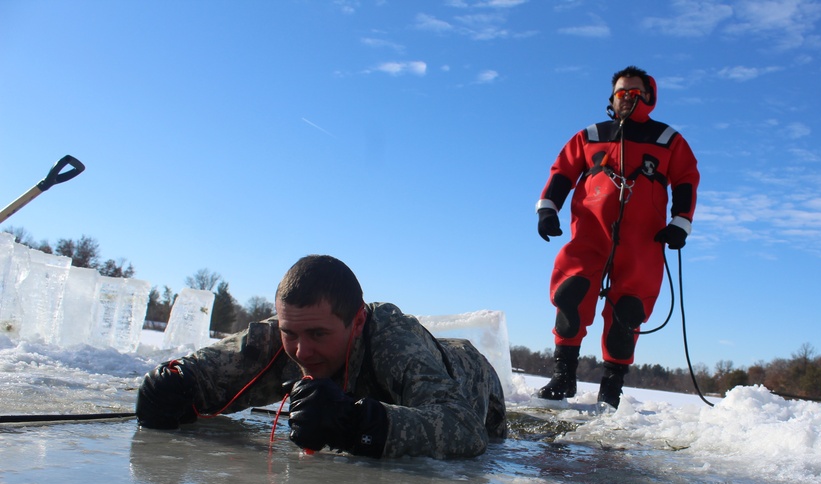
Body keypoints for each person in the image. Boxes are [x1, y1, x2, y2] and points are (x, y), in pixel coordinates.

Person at [135, 255, 507, 459]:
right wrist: (175, 383)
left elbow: (465, 429)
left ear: (357, 321)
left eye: (318, 335)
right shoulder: (291, 332)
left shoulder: (394, 341)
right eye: (289, 333)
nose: (300, 351)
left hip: (473, 380)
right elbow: (219, 364)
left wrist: (355, 424)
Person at [535, 65, 700, 408]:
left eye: (635, 92)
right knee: (570, 293)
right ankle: (564, 378)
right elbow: (562, 171)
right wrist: (548, 208)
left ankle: (611, 389)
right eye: (622, 92)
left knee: (629, 310)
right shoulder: (590, 135)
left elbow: (686, 179)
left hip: (644, 240)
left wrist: (680, 223)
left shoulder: (668, 139)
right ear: (612, 98)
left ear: (649, 96)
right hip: (590, 231)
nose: (628, 98)